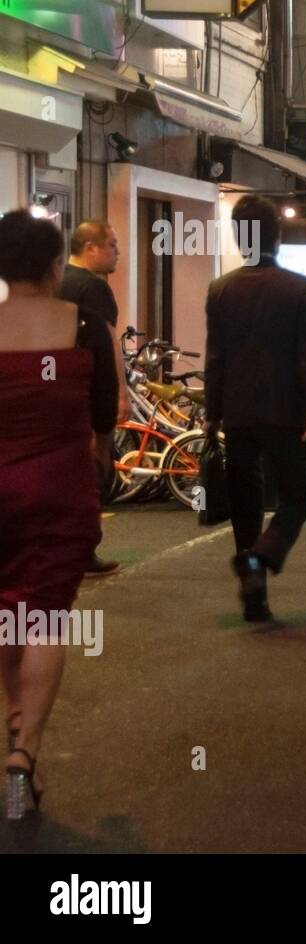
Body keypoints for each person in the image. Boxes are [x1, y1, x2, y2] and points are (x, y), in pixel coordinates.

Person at [0, 211, 117, 820]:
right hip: (58, 487)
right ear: (53, 266)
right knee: (43, 615)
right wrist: (100, 459)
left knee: (5, 607)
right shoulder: (84, 324)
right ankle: (24, 752)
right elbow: (105, 412)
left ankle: (14, 714)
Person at [204, 196, 306, 623]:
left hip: (236, 413)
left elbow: (215, 356)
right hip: (284, 411)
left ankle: (255, 599)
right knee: (297, 497)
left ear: (241, 238)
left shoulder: (220, 290)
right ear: (276, 235)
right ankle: (261, 557)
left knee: (245, 504)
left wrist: (211, 411)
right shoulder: (299, 288)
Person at [56, 220, 131, 577]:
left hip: (56, 394)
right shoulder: (92, 288)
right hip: (88, 394)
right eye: (112, 245)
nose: (117, 252)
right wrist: (120, 393)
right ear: (91, 248)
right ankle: (82, 549)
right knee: (95, 469)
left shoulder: (55, 282)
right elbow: (109, 343)